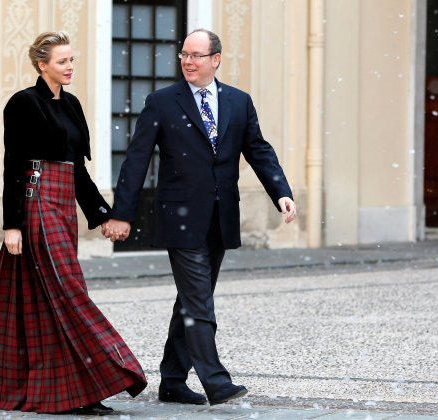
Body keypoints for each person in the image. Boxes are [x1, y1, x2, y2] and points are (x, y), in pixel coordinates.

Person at [103, 28, 297, 406]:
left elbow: (258, 149)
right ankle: (216, 380)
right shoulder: (162, 102)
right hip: (179, 216)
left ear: (216, 59)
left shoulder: (239, 102)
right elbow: (137, 160)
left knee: (193, 299)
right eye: (184, 55)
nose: (187, 62)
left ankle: (173, 381)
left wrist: (282, 192)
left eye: (195, 55)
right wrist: (122, 213)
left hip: (220, 217)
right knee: (199, 302)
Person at [0, 31, 147, 415]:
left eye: (72, 60)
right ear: (41, 64)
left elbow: (77, 170)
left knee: (48, 298)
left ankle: (75, 391)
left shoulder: (73, 105)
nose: (70, 67)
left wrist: (102, 214)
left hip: (63, 206)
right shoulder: (23, 103)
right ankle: (110, 368)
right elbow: (13, 164)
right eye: (62, 61)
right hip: (36, 201)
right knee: (68, 290)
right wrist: (11, 224)